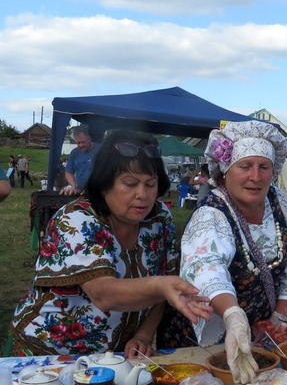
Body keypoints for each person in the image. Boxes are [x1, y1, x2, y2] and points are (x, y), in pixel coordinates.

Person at [11, 130, 212, 358]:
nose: (142, 194)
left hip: (111, 358)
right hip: (47, 355)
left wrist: (144, 335)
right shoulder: (76, 219)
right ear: (105, 184)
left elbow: (167, 286)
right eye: (130, 183)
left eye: (150, 184)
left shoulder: (159, 218)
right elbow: (103, 293)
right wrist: (160, 286)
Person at [158, 121, 287, 383]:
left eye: (264, 167)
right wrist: (233, 315)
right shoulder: (211, 213)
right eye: (245, 166)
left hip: (259, 334)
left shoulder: (279, 201)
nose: (256, 176)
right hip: (206, 338)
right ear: (225, 170)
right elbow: (207, 268)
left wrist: (278, 317)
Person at [62, 125, 101, 194]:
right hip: (81, 191)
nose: (81, 145)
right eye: (78, 143)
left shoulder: (102, 149)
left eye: (83, 142)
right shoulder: (74, 153)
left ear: (89, 139)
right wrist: (73, 186)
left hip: (99, 191)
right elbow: (68, 172)